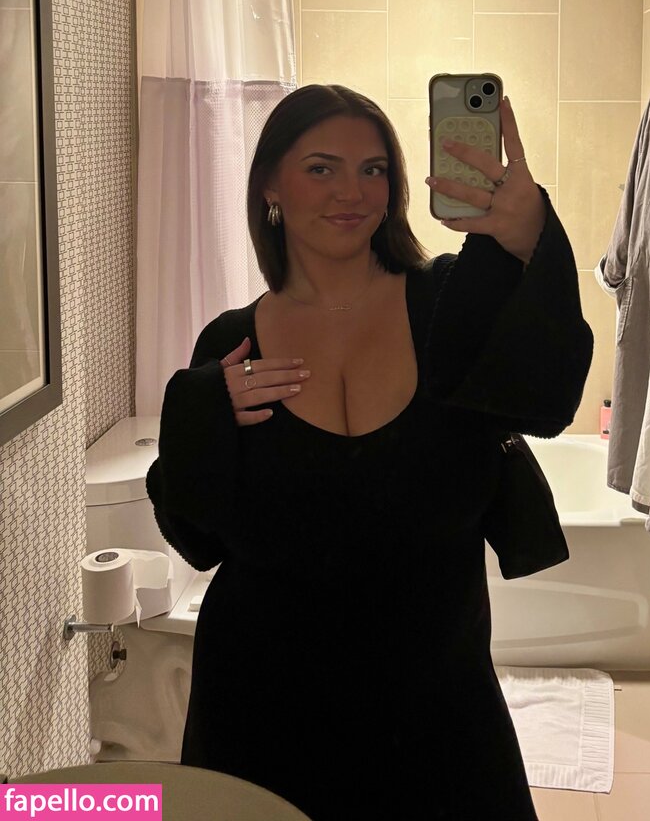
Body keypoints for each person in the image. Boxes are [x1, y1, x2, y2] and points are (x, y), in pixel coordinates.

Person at [146, 83, 594, 821]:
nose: (351, 191)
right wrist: (199, 411)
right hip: (262, 711)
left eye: (373, 169)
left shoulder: (449, 302)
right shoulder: (230, 346)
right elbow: (195, 537)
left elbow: (547, 402)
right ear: (270, 186)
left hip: (438, 711)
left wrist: (531, 241)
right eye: (321, 167)